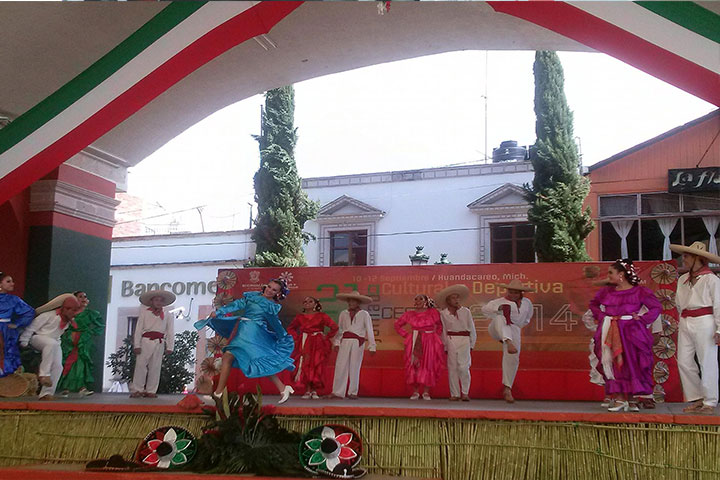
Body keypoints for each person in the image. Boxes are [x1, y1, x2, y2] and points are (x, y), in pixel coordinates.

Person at [197, 279, 295, 404]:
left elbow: (276, 324)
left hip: (253, 332)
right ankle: (282, 388)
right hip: (243, 328)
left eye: (274, 290)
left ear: (278, 293)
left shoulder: (270, 306)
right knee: (251, 360)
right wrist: (219, 311)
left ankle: (218, 393)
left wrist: (284, 337)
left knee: (230, 356)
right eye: (269, 286)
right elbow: (237, 304)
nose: (269, 290)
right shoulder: (253, 297)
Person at [589, 259, 662, 412]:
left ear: (621, 274)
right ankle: (620, 398)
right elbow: (593, 304)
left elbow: (656, 307)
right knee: (614, 362)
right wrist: (603, 317)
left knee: (632, 362)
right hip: (611, 329)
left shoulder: (640, 291)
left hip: (631, 331)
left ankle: (631, 398)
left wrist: (642, 319)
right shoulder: (606, 292)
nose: (608, 276)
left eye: (611, 273)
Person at [670, 241, 720, 415]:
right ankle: (697, 397)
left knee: (707, 360)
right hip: (686, 320)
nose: (683, 259)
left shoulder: (712, 279)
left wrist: (719, 329)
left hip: (705, 320)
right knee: (684, 361)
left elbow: (718, 305)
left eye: (687, 256)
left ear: (697, 258)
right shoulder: (683, 279)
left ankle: (710, 400)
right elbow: (679, 304)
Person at [19, 294, 82, 400]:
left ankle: (46, 393)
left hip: (55, 342)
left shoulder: (68, 321)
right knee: (50, 344)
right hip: (38, 338)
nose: (74, 313)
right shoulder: (48, 315)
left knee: (58, 366)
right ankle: (44, 374)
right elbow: (32, 327)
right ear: (65, 308)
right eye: (72, 310)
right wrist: (24, 340)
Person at [482, 279, 535, 403]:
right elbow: (485, 309)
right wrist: (497, 308)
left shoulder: (527, 303)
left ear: (521, 293)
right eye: (511, 292)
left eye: (516, 292)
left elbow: (527, 318)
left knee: (513, 358)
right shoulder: (499, 301)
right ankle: (508, 341)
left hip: (514, 329)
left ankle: (507, 388)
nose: (513, 295)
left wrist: (516, 327)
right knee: (500, 318)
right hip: (496, 328)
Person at [394, 294, 444, 400]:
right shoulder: (409, 314)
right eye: (416, 299)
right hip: (414, 339)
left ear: (426, 301)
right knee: (413, 364)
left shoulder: (433, 313)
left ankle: (426, 392)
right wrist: (406, 335)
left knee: (428, 364)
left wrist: (435, 336)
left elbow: (440, 325)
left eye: (420, 299)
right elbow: (397, 325)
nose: (418, 301)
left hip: (429, 341)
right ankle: (415, 391)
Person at [287, 296, 338, 399]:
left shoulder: (322, 316)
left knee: (316, 364)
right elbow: (290, 328)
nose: (307, 303)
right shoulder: (300, 317)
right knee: (305, 364)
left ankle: (314, 390)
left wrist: (326, 336)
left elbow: (334, 327)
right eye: (305, 301)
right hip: (304, 342)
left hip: (317, 343)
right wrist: (296, 337)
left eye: (310, 301)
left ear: (315, 304)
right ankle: (307, 390)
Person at [129, 290, 176, 399]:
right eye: (156, 300)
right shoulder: (144, 313)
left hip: (159, 342)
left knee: (155, 367)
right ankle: (137, 389)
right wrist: (137, 345)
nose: (158, 302)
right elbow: (138, 329)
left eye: (161, 300)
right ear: (151, 301)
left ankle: (151, 390)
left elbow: (170, 331)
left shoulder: (168, 315)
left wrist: (170, 346)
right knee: (140, 366)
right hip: (145, 341)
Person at [330, 290, 376, 400]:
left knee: (355, 366)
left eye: (353, 301)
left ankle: (353, 392)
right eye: (349, 301)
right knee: (340, 365)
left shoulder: (364, 314)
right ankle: (338, 392)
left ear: (358, 302)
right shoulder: (343, 313)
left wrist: (372, 346)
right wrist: (337, 342)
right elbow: (340, 329)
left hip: (357, 341)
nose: (351, 303)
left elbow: (369, 329)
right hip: (345, 341)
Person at [57, 291, 104, 397]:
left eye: (85, 297)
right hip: (68, 341)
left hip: (83, 341)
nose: (83, 299)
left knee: (81, 363)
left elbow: (100, 325)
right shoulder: (68, 312)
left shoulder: (91, 313)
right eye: (80, 297)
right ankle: (65, 387)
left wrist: (89, 333)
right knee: (67, 362)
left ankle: (82, 387)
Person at [438, 284, 476, 401]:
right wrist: (445, 345)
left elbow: (472, 327)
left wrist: (472, 343)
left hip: (464, 339)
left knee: (464, 367)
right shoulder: (443, 313)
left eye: (457, 298)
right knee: (452, 367)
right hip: (451, 339)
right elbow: (444, 330)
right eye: (453, 298)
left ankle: (465, 392)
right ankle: (455, 393)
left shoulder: (466, 311)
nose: (456, 300)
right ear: (448, 300)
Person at [0, 272, 36, 379]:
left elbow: (29, 312)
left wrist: (17, 324)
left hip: (5, 330)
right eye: (8, 281)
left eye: (12, 281)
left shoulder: (14, 300)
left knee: (7, 351)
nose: (12, 284)